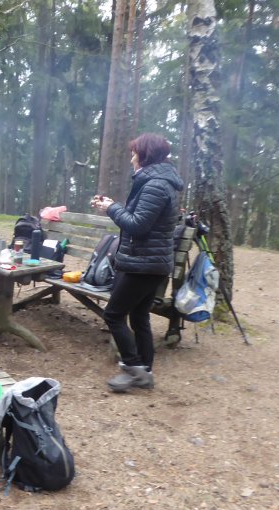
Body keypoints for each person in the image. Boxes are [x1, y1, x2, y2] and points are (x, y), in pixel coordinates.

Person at [90, 133, 182, 393]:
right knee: (139, 316)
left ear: (145, 155)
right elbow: (141, 220)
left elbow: (138, 226)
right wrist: (112, 206)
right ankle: (146, 372)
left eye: (134, 153)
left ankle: (134, 368)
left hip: (143, 264)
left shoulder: (155, 185)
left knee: (113, 315)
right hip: (150, 263)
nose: (131, 158)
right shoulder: (158, 182)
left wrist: (111, 209)